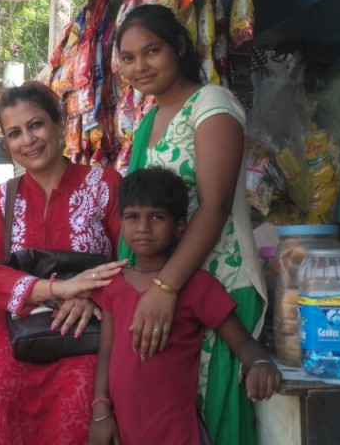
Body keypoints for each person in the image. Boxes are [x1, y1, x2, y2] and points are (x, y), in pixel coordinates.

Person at [116, 4, 266, 445]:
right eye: (128, 57)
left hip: (218, 281)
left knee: (214, 415)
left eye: (152, 51)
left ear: (179, 47)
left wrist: (164, 289)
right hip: (167, 290)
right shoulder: (147, 121)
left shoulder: (211, 103)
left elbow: (214, 206)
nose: (139, 66)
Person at [0, 82, 127, 445]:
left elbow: (133, 259)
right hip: (16, 329)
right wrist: (58, 289)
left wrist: (92, 297)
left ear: (57, 123)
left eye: (36, 125)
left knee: (83, 392)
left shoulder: (105, 184)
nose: (28, 140)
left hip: (89, 328)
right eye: (15, 133)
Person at [90, 167, 280, 445]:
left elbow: (244, 344)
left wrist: (261, 364)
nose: (143, 228)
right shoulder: (113, 285)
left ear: (180, 225)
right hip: (122, 431)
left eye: (156, 217)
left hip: (177, 433)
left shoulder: (197, 286)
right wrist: (100, 411)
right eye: (132, 217)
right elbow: (105, 355)